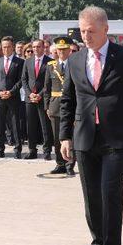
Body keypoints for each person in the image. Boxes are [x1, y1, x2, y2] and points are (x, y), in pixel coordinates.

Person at [60, 6, 123, 245]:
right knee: (91, 197)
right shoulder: (75, 60)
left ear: (106, 30)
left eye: (91, 31)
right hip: (85, 137)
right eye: (82, 31)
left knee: (110, 194)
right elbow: (67, 101)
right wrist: (64, 136)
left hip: (117, 137)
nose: (86, 36)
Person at [44, 36, 75, 175]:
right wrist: (47, 106)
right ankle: (60, 163)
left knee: (70, 136)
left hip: (71, 106)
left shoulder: (75, 65)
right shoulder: (51, 66)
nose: (62, 52)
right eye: (60, 50)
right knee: (57, 137)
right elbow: (47, 88)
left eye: (65, 49)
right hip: (55, 105)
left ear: (69, 50)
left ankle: (70, 164)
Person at [0, 36, 24, 159]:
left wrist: (11, 92)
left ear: (13, 47)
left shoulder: (19, 62)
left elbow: (21, 80)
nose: (6, 49)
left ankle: (17, 149)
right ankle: (0, 149)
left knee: (15, 124)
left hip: (13, 97)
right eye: (4, 47)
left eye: (8, 47)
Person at [21, 39, 53, 160]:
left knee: (45, 126)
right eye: (34, 47)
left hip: (43, 98)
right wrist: (29, 94)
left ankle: (47, 151)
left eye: (38, 47)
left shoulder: (50, 62)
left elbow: (49, 82)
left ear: (43, 47)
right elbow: (24, 79)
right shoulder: (28, 61)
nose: (35, 49)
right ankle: (32, 150)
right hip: (30, 99)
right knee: (31, 125)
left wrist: (40, 94)